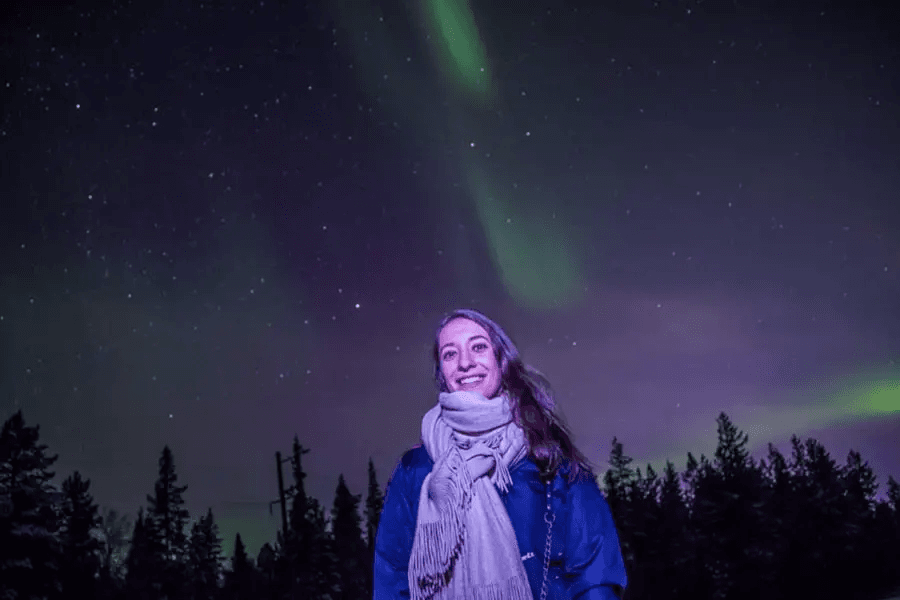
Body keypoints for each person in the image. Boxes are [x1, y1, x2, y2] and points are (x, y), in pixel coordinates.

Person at [373, 308, 627, 600]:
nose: (465, 363)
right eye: (450, 354)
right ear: (441, 373)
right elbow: (391, 578)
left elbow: (595, 576)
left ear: (500, 359)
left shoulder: (551, 462)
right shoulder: (415, 470)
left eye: (478, 347)